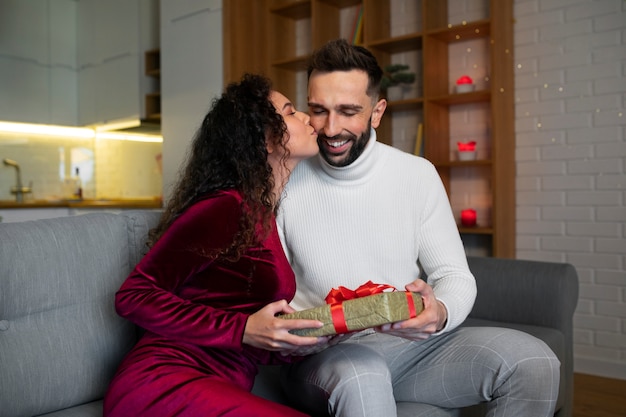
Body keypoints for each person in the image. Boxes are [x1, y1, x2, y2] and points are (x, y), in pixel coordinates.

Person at [276, 39, 560, 417]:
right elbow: (263, 293)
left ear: (377, 112)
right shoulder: (285, 179)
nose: (331, 128)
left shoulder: (416, 174)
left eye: (348, 111)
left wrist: (439, 311)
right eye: (318, 110)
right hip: (326, 357)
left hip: (410, 349)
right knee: (365, 375)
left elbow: (455, 275)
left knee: (534, 361)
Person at [103, 74, 326, 417]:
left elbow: (246, 331)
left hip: (220, 384)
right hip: (162, 383)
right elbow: (133, 295)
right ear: (266, 139)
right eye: (290, 112)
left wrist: (313, 335)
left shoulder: (262, 213)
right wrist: (243, 329)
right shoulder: (226, 207)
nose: (307, 118)